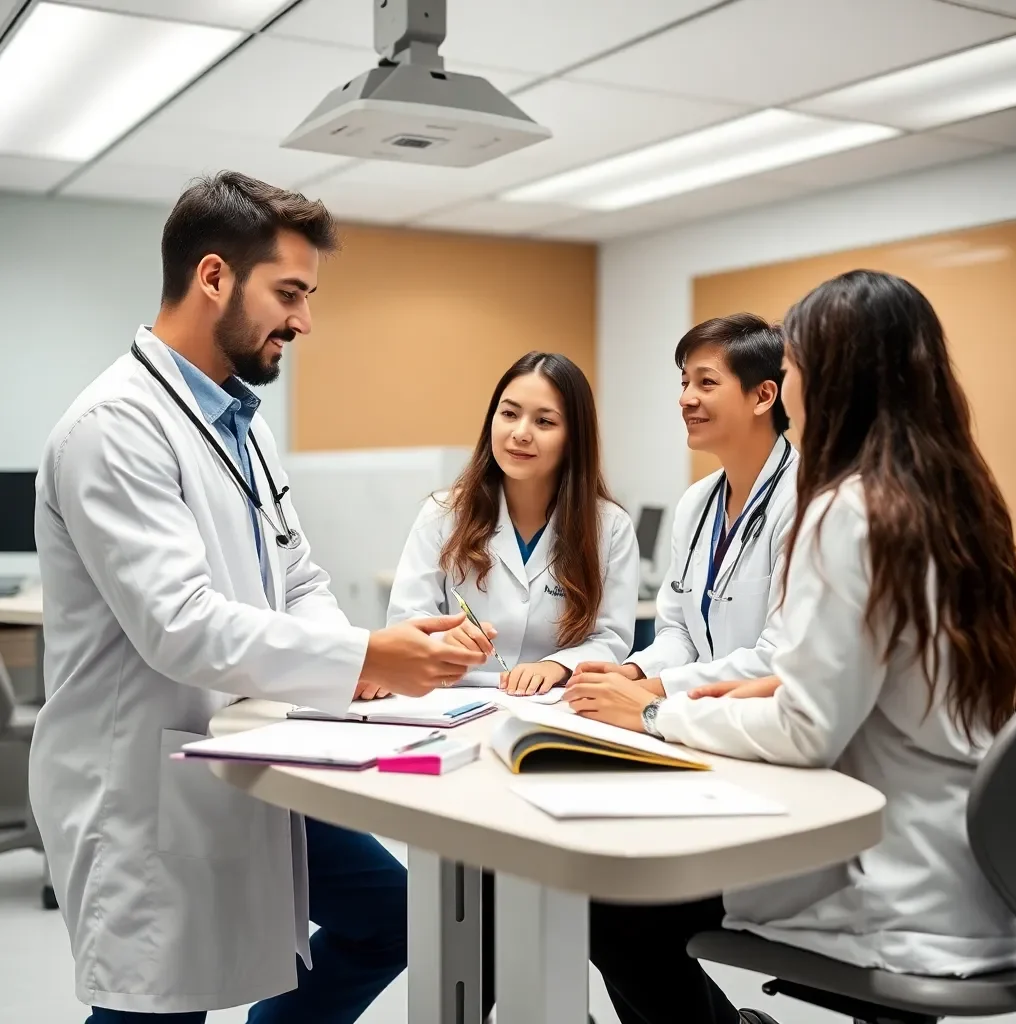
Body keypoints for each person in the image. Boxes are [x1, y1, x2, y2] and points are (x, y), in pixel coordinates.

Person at [29, 171, 487, 1023]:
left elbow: (298, 576)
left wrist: (363, 668)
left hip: (251, 756)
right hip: (147, 786)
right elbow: (179, 624)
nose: (305, 321)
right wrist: (363, 655)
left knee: (392, 918)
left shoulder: (243, 425)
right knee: (157, 1008)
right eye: (290, 293)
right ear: (213, 278)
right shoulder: (114, 427)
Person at [568, 270, 1016, 1024]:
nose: (791, 385)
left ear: (834, 378)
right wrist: (724, 691)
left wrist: (652, 716)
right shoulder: (955, 500)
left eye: (797, 368)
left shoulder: (846, 509)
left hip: (890, 879)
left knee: (615, 905)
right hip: (977, 871)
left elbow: (808, 729)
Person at [386, 350, 639, 1018]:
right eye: (509, 413)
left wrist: (559, 664)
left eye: (544, 420)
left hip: (556, 735)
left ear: (573, 437)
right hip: (460, 730)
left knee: (552, 900)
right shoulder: (444, 513)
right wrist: (446, 639)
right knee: (473, 910)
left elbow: (616, 638)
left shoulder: (608, 527)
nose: (520, 433)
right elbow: (405, 624)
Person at [570, 314, 797, 711]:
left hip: (767, 722)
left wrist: (658, 688)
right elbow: (679, 631)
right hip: (699, 715)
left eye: (706, 382)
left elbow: (778, 656)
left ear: (764, 396)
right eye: (684, 382)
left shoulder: (805, 500)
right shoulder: (697, 502)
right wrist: (636, 672)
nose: (685, 398)